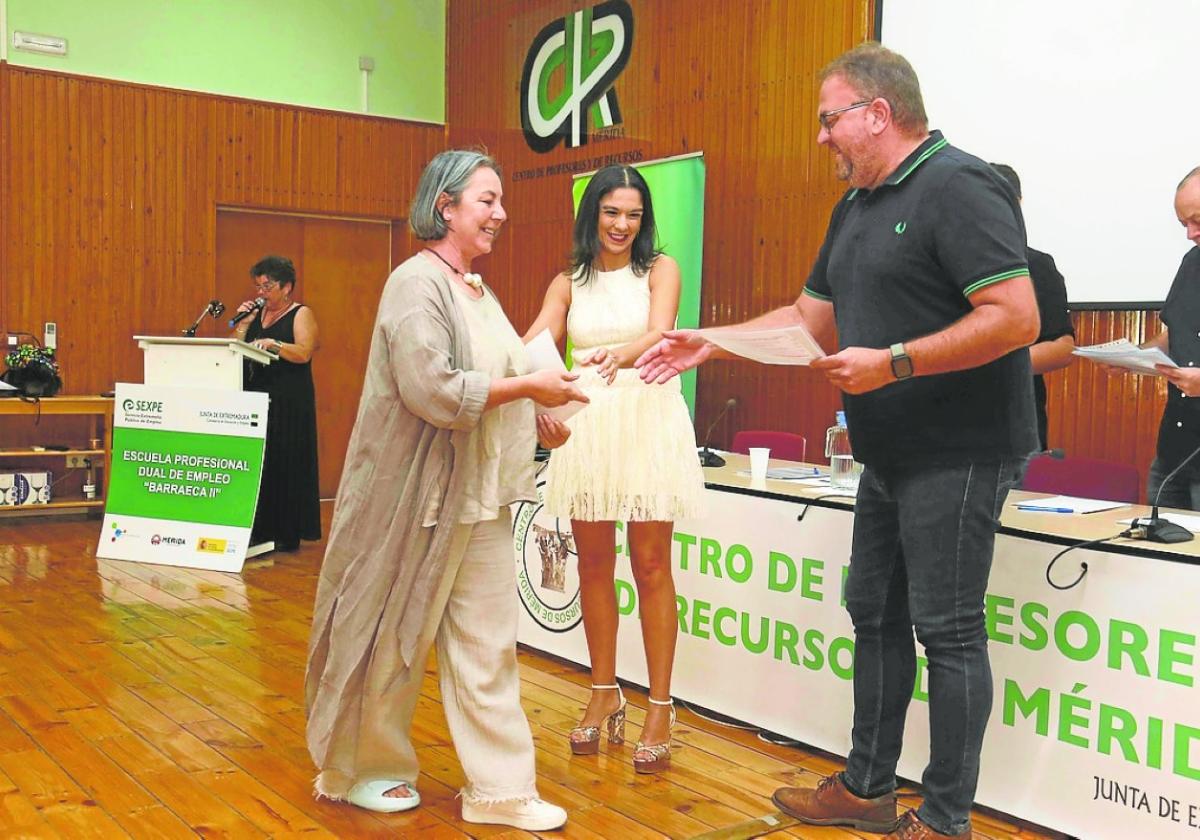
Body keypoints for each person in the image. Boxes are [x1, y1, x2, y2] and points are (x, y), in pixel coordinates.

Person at [637, 43, 1039, 839]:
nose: (821, 138)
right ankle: (868, 788)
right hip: (887, 453)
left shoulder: (961, 185)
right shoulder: (854, 205)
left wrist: (894, 362)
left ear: (877, 114)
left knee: (948, 630)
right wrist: (712, 341)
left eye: (830, 121)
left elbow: (1017, 317)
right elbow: (806, 319)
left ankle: (949, 818)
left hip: (957, 451)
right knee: (873, 614)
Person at [304, 150, 584, 831]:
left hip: (480, 497)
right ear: (445, 207)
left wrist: (544, 411)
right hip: (414, 498)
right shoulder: (414, 284)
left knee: (488, 647)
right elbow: (432, 389)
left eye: (499, 202)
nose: (500, 214)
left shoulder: (478, 293)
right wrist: (526, 389)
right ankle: (367, 768)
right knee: (391, 633)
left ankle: (501, 788)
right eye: (486, 201)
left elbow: (499, 377)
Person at [524, 164, 704, 774]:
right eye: (610, 212)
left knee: (652, 565)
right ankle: (603, 691)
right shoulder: (567, 283)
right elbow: (537, 340)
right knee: (594, 564)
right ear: (592, 214)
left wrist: (613, 356)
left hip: (648, 418)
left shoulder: (660, 269)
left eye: (632, 213)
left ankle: (660, 705)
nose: (622, 225)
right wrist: (512, 369)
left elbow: (660, 335)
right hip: (590, 425)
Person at [230, 255, 321, 552]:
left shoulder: (300, 313)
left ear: (286, 287)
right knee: (262, 463)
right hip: (257, 397)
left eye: (267, 286)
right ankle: (260, 528)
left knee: (286, 461)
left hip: (289, 400)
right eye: (258, 287)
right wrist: (243, 324)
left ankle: (287, 532)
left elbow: (304, 352)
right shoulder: (257, 315)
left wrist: (275, 345)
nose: (261, 293)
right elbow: (236, 349)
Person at [1126, 167, 1200, 508]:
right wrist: (1132, 357)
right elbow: (1177, 333)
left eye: (1197, 220)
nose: (1190, 233)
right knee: (1160, 556)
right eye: (1183, 223)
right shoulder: (1191, 263)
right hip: (1175, 450)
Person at [990, 163, 1076, 450]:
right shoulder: (942, 265)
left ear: (1017, 204)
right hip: (945, 428)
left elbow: (1062, 348)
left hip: (1016, 428)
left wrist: (988, 369)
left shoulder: (1036, 266)